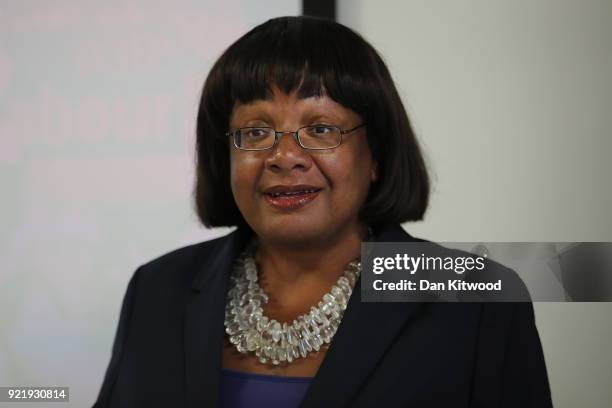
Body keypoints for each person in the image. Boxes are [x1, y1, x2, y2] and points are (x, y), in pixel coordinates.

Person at [93, 16, 552, 408]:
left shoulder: (478, 301)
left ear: (376, 155)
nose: (284, 156)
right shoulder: (157, 290)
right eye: (255, 131)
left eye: (320, 128)